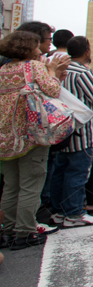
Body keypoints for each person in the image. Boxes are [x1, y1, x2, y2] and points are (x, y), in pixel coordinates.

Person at [0, 31, 69, 250]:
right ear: (29, 48)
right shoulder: (34, 67)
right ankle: (25, 231)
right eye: (38, 46)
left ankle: (8, 230)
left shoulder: (3, 70)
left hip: (5, 136)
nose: (41, 50)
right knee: (30, 185)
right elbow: (52, 90)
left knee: (10, 186)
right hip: (32, 134)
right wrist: (51, 71)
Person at [47, 37, 93, 227]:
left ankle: (58, 211)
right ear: (87, 51)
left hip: (62, 129)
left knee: (60, 171)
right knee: (78, 173)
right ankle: (74, 214)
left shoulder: (59, 71)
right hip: (84, 131)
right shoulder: (83, 73)